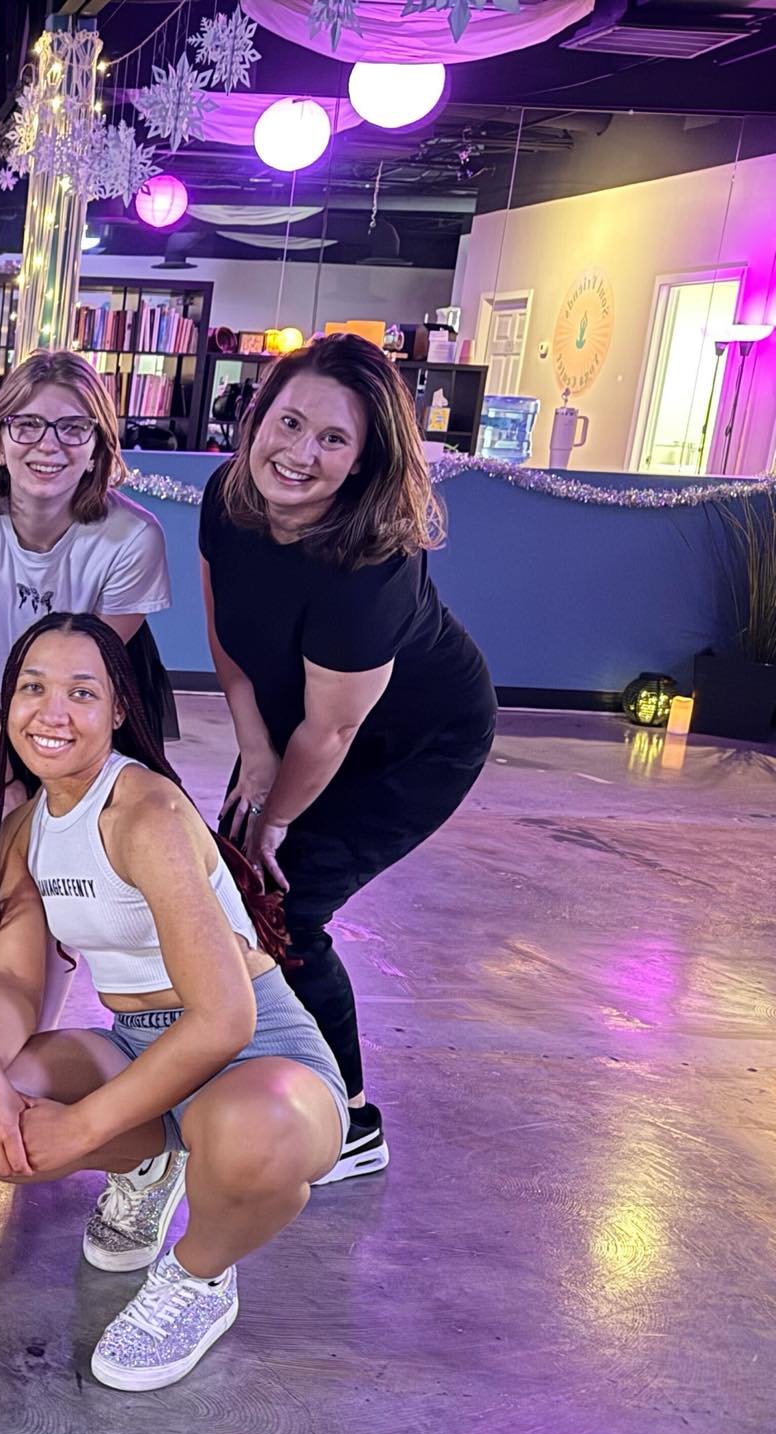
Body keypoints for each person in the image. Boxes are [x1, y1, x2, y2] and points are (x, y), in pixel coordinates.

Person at [0, 612, 349, 1391]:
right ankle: (151, 1169)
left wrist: (84, 1123)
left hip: (258, 1047)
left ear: (120, 708)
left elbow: (225, 1020)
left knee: (251, 1134)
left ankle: (198, 1277)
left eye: (81, 692)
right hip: (141, 1041)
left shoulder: (144, 813)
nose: (52, 712)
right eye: (33, 688)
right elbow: (18, 980)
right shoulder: (23, 829)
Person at [198, 333, 495, 1184]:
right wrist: (252, 749)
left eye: (333, 440)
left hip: (414, 744)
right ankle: (264, 1056)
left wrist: (275, 819)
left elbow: (332, 734)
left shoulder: (371, 567)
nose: (298, 454)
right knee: (227, 889)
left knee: (286, 906)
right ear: (257, 417)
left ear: (365, 462)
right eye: (288, 423)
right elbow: (228, 636)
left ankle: (349, 1118)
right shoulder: (232, 494)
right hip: (294, 722)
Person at [0, 349, 174, 1064]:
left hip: (91, 697)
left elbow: (86, 679)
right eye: (26, 426)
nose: (48, 446)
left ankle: (30, 1041)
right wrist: (2, 784)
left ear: (98, 450)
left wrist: (47, 784)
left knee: (58, 870)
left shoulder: (132, 537)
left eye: (73, 430)